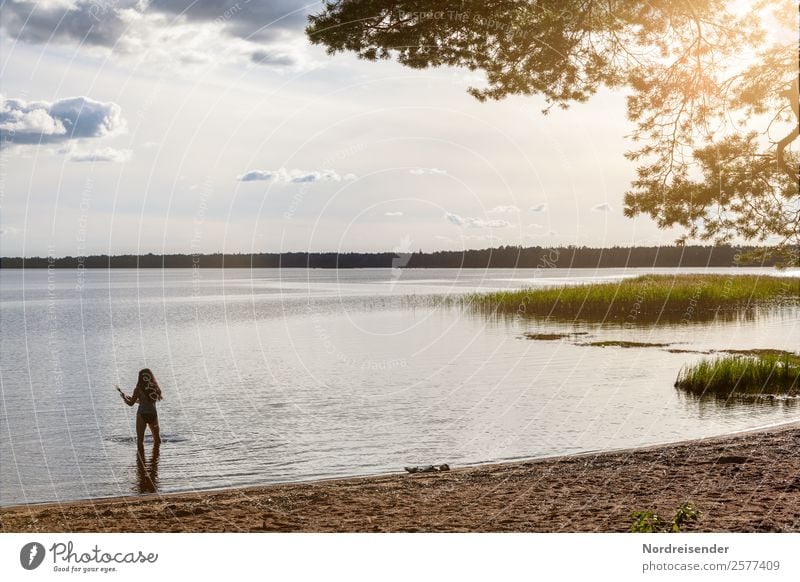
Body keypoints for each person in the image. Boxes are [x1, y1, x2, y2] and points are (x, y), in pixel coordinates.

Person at [119, 368, 163, 449]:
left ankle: (140, 460)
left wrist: (124, 398)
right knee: (157, 439)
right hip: (153, 415)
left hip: (141, 415)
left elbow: (130, 404)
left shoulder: (138, 389)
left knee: (140, 440)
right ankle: (156, 459)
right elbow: (147, 401)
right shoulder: (154, 388)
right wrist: (135, 400)